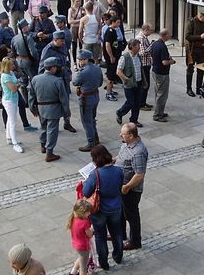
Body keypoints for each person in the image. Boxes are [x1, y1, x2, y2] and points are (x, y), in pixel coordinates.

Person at [82, 145, 124, 271]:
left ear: (95, 159)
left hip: (99, 211)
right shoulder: (118, 171)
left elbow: (86, 192)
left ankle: (104, 262)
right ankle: (118, 256)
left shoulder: (95, 174)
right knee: (117, 233)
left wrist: (86, 182)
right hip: (116, 207)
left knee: (100, 236)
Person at [29, 57, 71, 162]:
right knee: (52, 130)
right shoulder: (57, 81)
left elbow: (31, 95)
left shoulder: (35, 79)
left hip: (41, 108)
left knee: (43, 127)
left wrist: (32, 107)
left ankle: (42, 145)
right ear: (52, 68)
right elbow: (63, 98)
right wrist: (67, 112)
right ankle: (49, 153)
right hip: (54, 109)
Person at [116, 123, 149, 251]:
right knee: (121, 211)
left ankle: (135, 241)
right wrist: (109, 161)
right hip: (121, 185)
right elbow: (120, 159)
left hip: (131, 190)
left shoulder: (138, 152)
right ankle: (121, 233)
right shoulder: (126, 144)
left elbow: (139, 174)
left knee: (132, 215)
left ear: (130, 135)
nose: (120, 135)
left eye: (123, 134)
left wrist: (127, 186)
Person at [38, 30, 77, 133]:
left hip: (64, 78)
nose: (63, 43)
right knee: (53, 103)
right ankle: (49, 124)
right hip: (53, 80)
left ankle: (67, 122)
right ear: (55, 40)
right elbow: (42, 68)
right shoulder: (47, 50)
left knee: (65, 101)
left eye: (63, 41)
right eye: (61, 41)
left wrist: (69, 72)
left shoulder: (63, 46)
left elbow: (67, 59)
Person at [0, 45, 37, 132]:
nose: (11, 53)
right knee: (5, 108)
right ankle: (7, 127)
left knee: (22, 104)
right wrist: (12, 74)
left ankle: (26, 124)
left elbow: (20, 73)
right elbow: (3, 75)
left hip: (14, 86)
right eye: (9, 52)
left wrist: (12, 72)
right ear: (4, 53)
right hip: (5, 89)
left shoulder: (13, 61)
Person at [72, 49, 103, 152]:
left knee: (87, 121)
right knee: (92, 119)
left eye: (80, 60)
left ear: (86, 59)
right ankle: (96, 138)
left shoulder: (83, 72)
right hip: (95, 96)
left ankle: (91, 143)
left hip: (86, 99)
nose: (79, 62)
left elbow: (75, 82)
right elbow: (100, 84)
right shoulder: (98, 69)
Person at [116, 39, 147, 128]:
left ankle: (134, 120)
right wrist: (126, 79)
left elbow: (141, 70)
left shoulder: (138, 56)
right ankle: (120, 112)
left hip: (139, 83)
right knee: (131, 102)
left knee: (137, 103)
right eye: (137, 46)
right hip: (129, 84)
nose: (139, 48)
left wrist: (144, 81)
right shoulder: (124, 57)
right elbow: (118, 71)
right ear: (132, 47)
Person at [150, 29, 176, 122]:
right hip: (162, 73)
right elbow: (165, 62)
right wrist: (172, 61)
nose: (170, 36)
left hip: (155, 71)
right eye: (169, 35)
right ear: (165, 35)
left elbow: (152, 56)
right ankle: (157, 115)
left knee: (158, 93)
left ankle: (160, 111)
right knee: (162, 95)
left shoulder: (155, 44)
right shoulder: (162, 46)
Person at [185, 7, 204, 97]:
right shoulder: (192, 22)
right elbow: (187, 36)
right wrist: (200, 37)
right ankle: (189, 88)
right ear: (200, 16)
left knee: (201, 70)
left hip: (203, 50)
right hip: (192, 50)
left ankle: (198, 88)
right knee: (190, 70)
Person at [0, 57, 24, 153]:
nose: (14, 66)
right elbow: (13, 89)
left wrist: (17, 84)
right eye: (11, 65)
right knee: (13, 121)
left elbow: (16, 85)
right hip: (9, 100)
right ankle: (15, 143)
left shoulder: (11, 73)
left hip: (13, 99)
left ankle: (9, 137)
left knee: (10, 119)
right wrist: (18, 84)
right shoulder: (5, 76)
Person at [66, 199, 93, 275]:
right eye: (88, 212)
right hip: (84, 246)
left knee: (81, 258)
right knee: (83, 267)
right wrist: (92, 229)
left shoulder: (73, 219)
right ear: (82, 213)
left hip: (76, 244)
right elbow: (89, 234)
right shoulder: (84, 223)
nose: (89, 213)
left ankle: (73, 272)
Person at [11, 19, 38, 89]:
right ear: (25, 27)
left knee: (23, 82)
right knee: (34, 80)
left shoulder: (14, 38)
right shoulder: (28, 38)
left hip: (19, 62)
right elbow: (33, 52)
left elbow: (13, 52)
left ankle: (25, 98)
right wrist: (37, 59)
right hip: (28, 62)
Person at [103, 16, 122, 101]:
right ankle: (108, 93)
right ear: (113, 22)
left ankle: (110, 90)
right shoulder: (110, 32)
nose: (119, 24)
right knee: (110, 75)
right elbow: (107, 45)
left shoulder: (114, 31)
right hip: (111, 57)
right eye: (117, 22)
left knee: (112, 74)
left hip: (115, 55)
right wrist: (111, 56)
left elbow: (115, 43)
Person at [135, 24, 153, 111]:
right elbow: (142, 53)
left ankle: (143, 102)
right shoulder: (141, 38)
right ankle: (141, 104)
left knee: (146, 84)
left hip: (147, 64)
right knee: (144, 85)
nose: (151, 32)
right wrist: (151, 47)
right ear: (146, 30)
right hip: (143, 65)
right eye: (150, 30)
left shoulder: (144, 37)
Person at [68, 0, 85, 70]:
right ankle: (74, 62)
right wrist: (80, 20)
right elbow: (70, 21)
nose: (78, 2)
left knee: (81, 45)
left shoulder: (82, 9)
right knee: (74, 45)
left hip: (81, 28)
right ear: (73, 2)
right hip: (74, 28)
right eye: (77, 1)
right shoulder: (71, 10)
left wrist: (81, 20)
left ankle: (80, 61)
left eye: (79, 1)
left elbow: (85, 17)